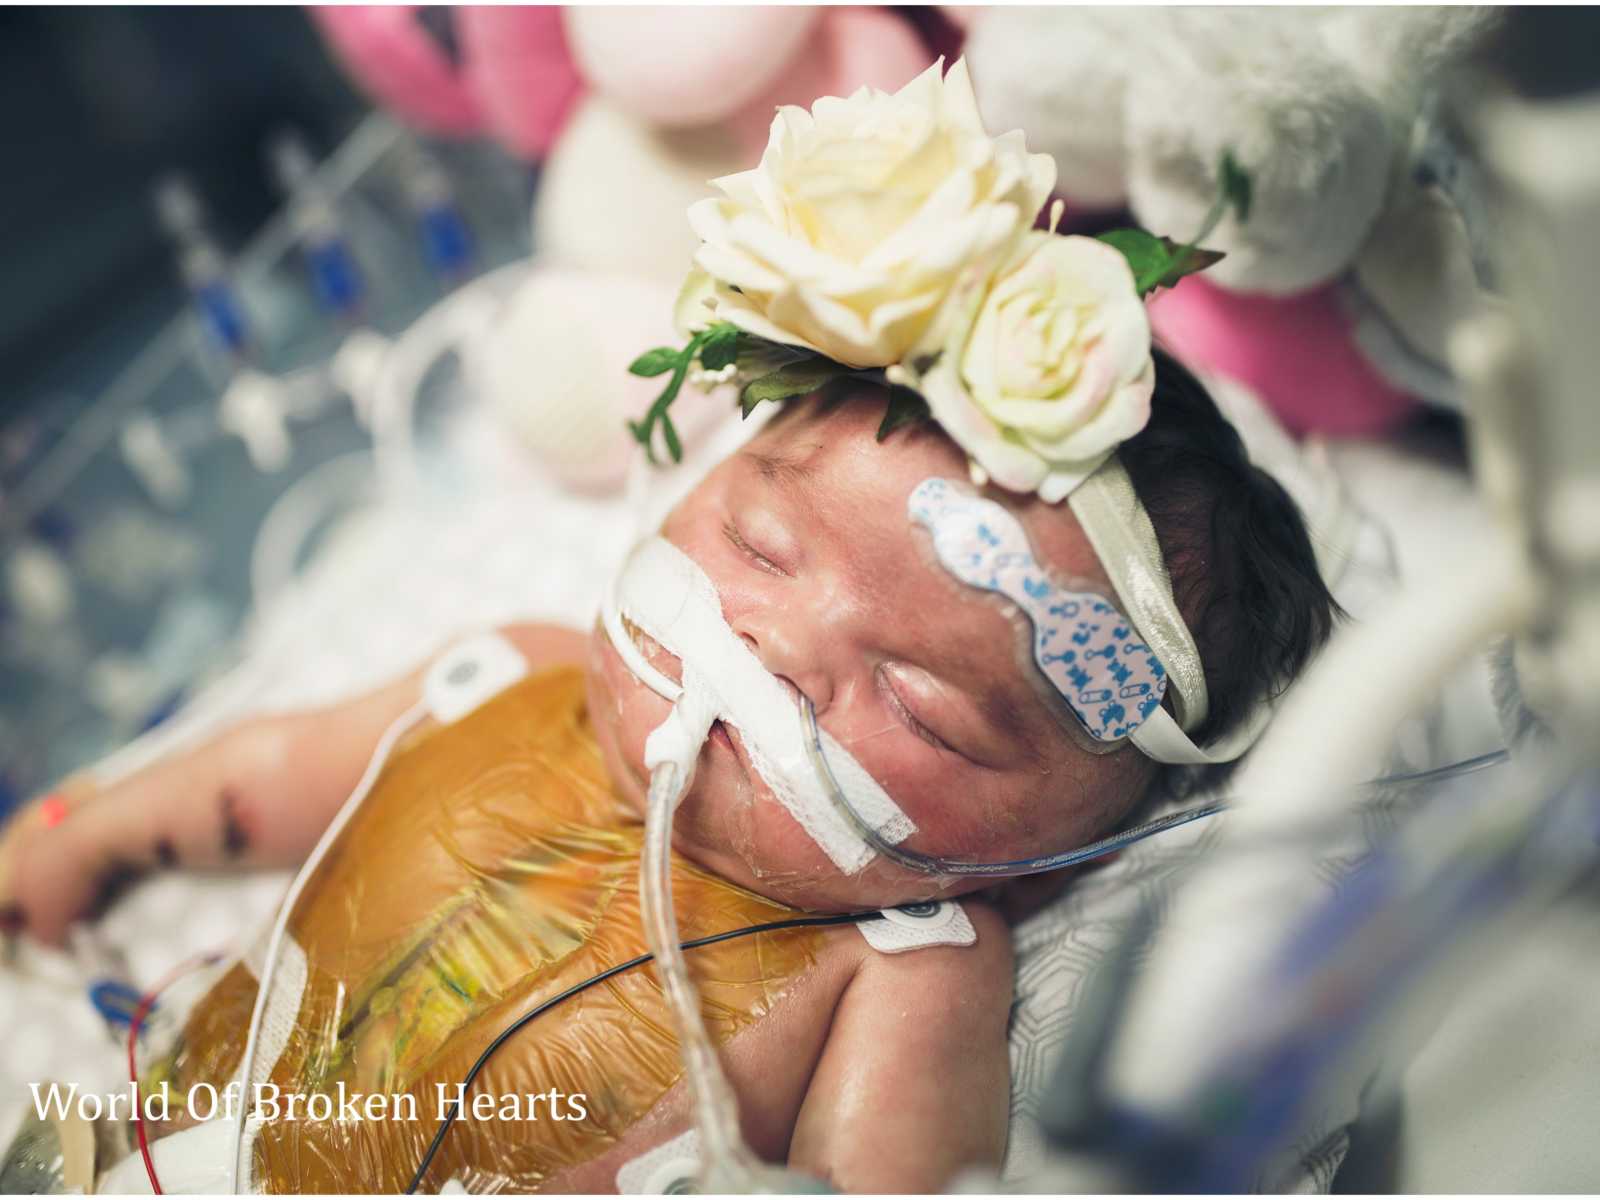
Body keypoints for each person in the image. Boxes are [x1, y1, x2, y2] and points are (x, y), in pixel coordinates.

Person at [0, 60, 1337, 1193]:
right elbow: (255, 777)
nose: (779, 649)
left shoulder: (907, 966)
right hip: (132, 1126)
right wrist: (79, 840)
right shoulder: (512, 674)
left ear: (1052, 856)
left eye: (920, 702)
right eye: (763, 544)